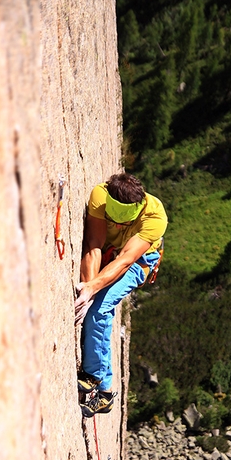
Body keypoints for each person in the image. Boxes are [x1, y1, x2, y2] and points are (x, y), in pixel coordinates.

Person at [75, 173, 167, 417]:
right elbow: (94, 243)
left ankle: (94, 375)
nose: (120, 226)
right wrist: (90, 287)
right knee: (95, 307)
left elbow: (127, 259)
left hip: (140, 260)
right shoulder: (100, 196)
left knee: (100, 309)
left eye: (125, 222)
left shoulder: (155, 217)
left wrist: (93, 292)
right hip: (110, 250)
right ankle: (105, 394)